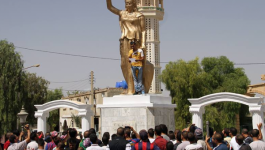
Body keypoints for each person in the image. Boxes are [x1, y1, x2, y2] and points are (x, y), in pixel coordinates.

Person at [106, 0, 154, 95]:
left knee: (133, 66)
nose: (127, 5)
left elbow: (143, 30)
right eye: (126, 3)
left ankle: (133, 89)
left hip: (135, 42)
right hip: (124, 41)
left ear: (134, 4)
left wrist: (143, 44)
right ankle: (130, 87)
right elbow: (110, 7)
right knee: (124, 64)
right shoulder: (122, 13)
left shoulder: (139, 15)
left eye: (129, 3)